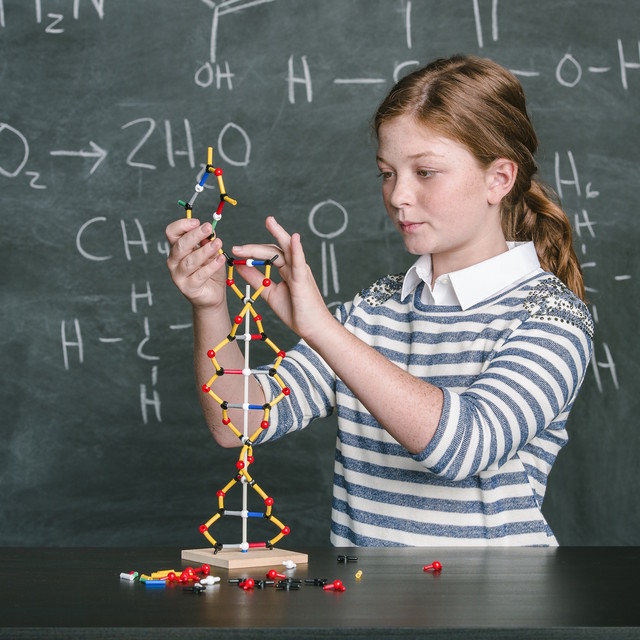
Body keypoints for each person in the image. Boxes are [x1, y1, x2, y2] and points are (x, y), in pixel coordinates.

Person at [166, 54, 593, 547]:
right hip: (368, 611)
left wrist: (324, 331)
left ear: (499, 178)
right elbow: (238, 421)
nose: (398, 195)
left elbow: (465, 447)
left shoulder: (551, 316)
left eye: (426, 172)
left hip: (491, 609)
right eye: (386, 173)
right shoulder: (375, 310)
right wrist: (210, 305)